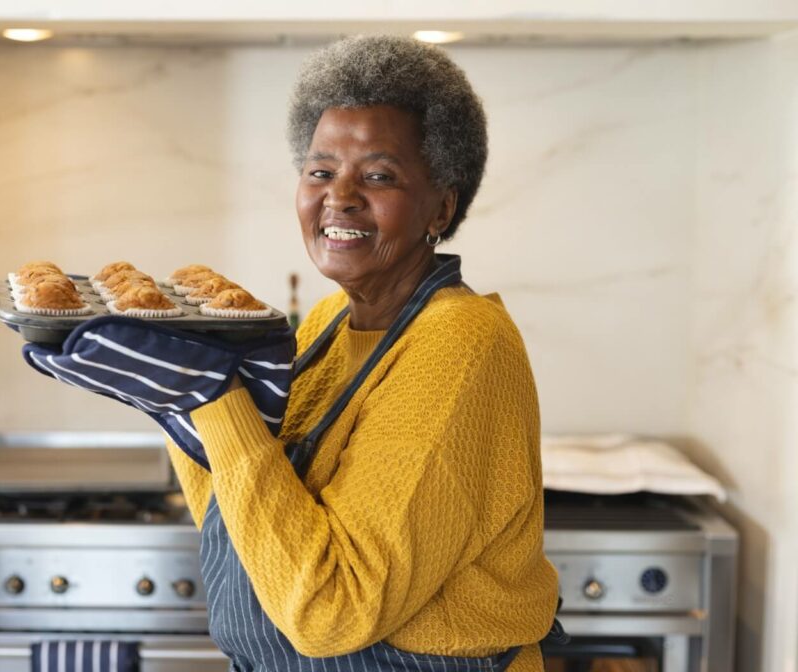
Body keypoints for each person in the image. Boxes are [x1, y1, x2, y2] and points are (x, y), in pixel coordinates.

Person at [167, 35, 560, 672]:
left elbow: (332, 609)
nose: (339, 196)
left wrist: (213, 395)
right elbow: (251, 530)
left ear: (442, 206)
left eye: (378, 175)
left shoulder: (460, 342)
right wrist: (180, 403)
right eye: (320, 171)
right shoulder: (325, 324)